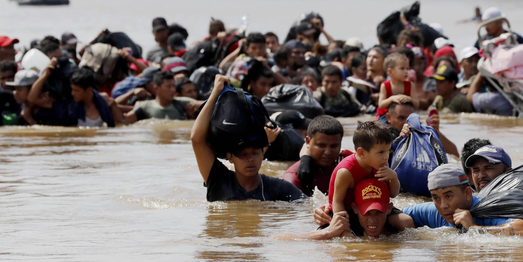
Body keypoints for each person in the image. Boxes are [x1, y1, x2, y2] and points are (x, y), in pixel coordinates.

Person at [191, 74, 305, 202]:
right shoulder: (219, 180)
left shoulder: (277, 188)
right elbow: (197, 140)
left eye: (255, 153)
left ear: (263, 153)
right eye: (243, 154)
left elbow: (308, 205)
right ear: (230, 157)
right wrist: (215, 93)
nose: (250, 159)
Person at [400, 164, 523, 236]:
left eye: (449, 196)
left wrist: (474, 228)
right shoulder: (433, 211)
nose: (443, 205)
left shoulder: (486, 209)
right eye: (436, 198)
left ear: (468, 194)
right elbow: (396, 213)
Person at [327, 121, 405, 230]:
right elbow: (337, 201)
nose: (386, 156)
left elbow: (393, 194)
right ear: (361, 153)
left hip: (374, 207)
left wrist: (394, 178)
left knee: (407, 222)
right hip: (348, 211)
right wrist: (343, 226)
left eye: (388, 151)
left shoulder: (381, 163)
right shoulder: (346, 172)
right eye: (381, 152)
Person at [286, 178, 397, 240]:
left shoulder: (397, 226)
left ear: (389, 209)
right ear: (355, 208)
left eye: (378, 212)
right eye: (366, 213)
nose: (372, 220)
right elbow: (282, 238)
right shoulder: (346, 227)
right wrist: (328, 232)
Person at [283, 115, 352, 196]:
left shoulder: (346, 160)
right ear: (308, 141)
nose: (328, 152)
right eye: (321, 145)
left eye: (333, 146)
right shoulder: (293, 178)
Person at [124, 71, 202, 123]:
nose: (172, 90)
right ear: (156, 88)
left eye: (174, 86)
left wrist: (193, 111)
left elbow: (207, 104)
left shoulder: (181, 103)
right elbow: (124, 121)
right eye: (168, 87)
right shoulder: (146, 106)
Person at [377, 53, 418, 121]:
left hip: (406, 115)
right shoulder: (385, 85)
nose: (406, 71)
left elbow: (416, 104)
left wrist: (410, 99)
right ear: (390, 71)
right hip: (385, 115)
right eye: (402, 68)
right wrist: (391, 99)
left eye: (407, 68)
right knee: (383, 127)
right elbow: (381, 105)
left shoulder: (410, 85)